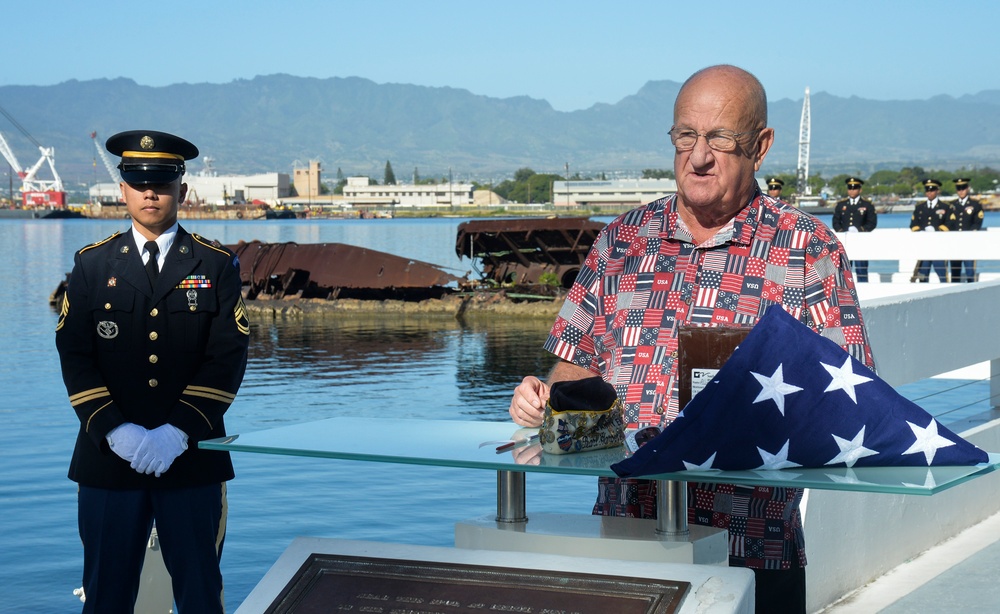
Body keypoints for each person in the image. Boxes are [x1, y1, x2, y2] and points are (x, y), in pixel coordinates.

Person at [509, 65, 874, 614]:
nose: (698, 156)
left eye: (720, 139)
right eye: (686, 136)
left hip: (753, 549)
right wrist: (545, 397)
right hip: (627, 543)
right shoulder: (622, 242)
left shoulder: (807, 249)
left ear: (761, 146)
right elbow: (574, 367)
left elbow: (852, 399)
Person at [55, 130, 250, 613]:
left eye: (161, 182)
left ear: (181, 190)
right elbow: (74, 353)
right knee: (105, 595)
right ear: (122, 189)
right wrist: (114, 429)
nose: (150, 193)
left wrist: (177, 432)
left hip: (192, 456)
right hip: (108, 459)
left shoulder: (215, 263)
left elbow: (227, 355)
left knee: (201, 593)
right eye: (138, 182)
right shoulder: (92, 265)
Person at [831, 176, 877, 282]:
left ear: (860, 189)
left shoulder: (867, 205)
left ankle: (864, 291)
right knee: (845, 271)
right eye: (850, 188)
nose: (852, 190)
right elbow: (836, 222)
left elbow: (872, 223)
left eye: (855, 188)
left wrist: (860, 230)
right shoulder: (841, 205)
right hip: (845, 242)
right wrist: (842, 232)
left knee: (861, 270)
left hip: (860, 242)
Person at [909, 179, 956, 282]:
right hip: (924, 247)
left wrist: (937, 230)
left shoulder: (946, 207)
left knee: (943, 277)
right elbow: (913, 225)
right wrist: (921, 231)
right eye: (927, 190)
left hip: (939, 247)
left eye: (932, 190)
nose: (929, 192)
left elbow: (950, 224)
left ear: (937, 191)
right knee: (922, 277)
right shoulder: (920, 208)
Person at [949, 177, 984, 282]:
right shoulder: (952, 205)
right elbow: (948, 223)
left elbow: (977, 223)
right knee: (955, 274)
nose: (961, 191)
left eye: (963, 188)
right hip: (955, 244)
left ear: (967, 188)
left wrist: (969, 235)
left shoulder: (975, 205)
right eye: (959, 188)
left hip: (969, 243)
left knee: (970, 272)